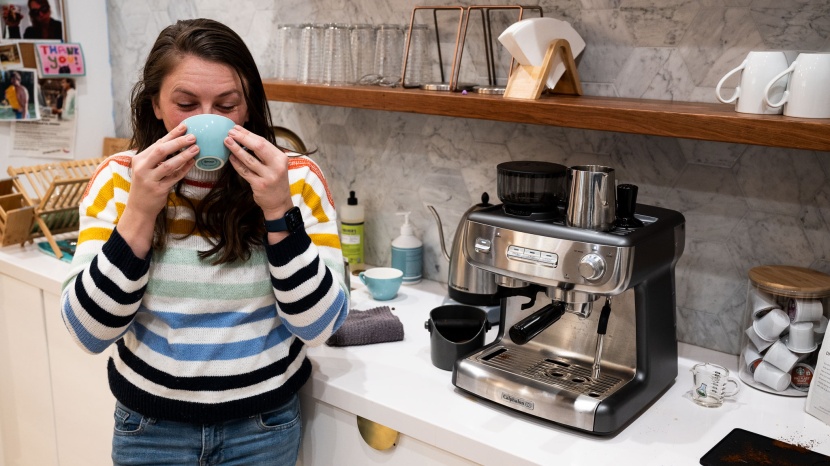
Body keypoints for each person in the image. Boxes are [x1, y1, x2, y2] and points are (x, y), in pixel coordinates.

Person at [60, 18, 349, 465]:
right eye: (186, 104)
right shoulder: (119, 180)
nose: (207, 121)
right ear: (155, 104)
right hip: (149, 429)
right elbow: (88, 332)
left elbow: (319, 327)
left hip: (263, 427)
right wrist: (140, 211)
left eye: (226, 105)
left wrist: (277, 209)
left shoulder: (295, 180)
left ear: (249, 106)